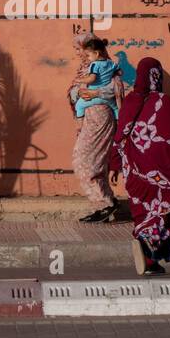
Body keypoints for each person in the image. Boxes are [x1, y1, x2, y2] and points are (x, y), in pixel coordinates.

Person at [108, 58, 170, 276]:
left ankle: (145, 247)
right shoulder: (167, 102)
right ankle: (152, 259)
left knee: (142, 212)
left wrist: (114, 165)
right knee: (160, 213)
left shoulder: (130, 101)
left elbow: (120, 136)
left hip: (136, 171)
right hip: (165, 175)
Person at [69, 33, 124, 223]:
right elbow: (74, 92)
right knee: (94, 162)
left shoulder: (108, 67)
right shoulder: (86, 67)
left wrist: (94, 92)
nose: (79, 53)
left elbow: (116, 89)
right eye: (77, 50)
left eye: (80, 49)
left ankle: (105, 203)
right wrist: (79, 92)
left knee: (84, 160)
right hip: (88, 118)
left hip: (101, 116)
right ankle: (104, 204)